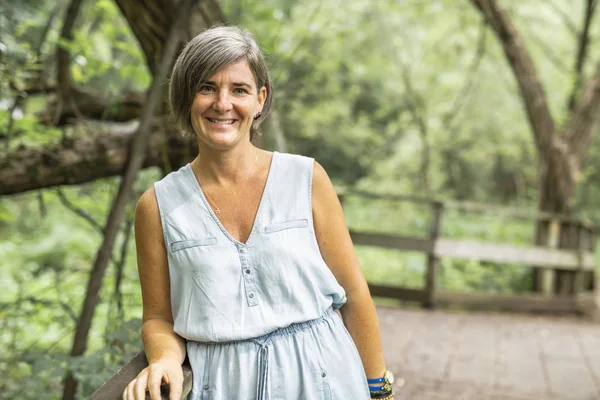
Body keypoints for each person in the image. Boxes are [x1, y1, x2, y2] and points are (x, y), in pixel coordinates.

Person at [123, 26, 395, 400]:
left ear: (260, 99)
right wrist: (166, 359)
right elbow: (158, 317)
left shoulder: (307, 179)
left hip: (326, 378)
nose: (223, 103)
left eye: (239, 89)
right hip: (222, 386)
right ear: (187, 98)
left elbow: (353, 292)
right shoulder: (156, 205)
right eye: (206, 87)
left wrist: (379, 389)